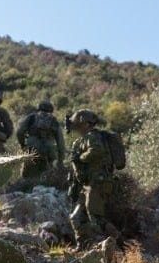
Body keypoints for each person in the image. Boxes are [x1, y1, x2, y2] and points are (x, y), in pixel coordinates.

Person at [67, 109, 116, 247]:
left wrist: (80, 157)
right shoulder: (83, 139)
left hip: (98, 183)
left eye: (78, 125)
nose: (76, 128)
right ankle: (82, 245)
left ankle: (116, 243)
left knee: (96, 218)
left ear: (86, 124)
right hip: (87, 185)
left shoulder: (92, 137)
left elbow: (97, 150)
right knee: (76, 217)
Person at [17, 100, 66, 179]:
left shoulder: (31, 117)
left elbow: (20, 132)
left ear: (38, 108)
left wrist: (22, 145)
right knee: (47, 173)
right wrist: (60, 161)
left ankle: (26, 187)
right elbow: (61, 142)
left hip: (32, 147)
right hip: (48, 150)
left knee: (27, 173)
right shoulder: (53, 120)